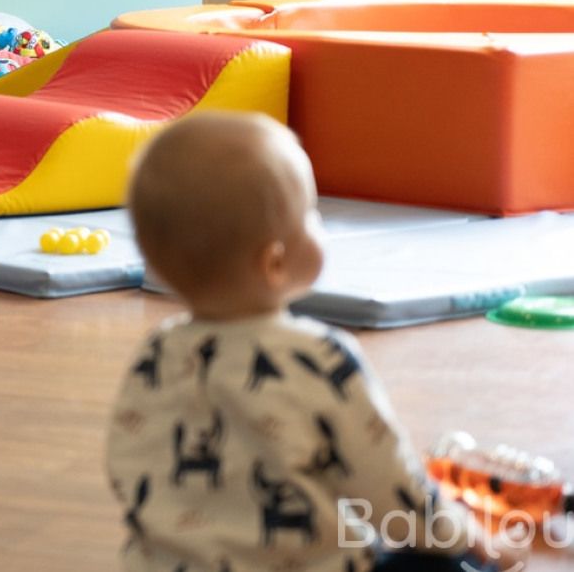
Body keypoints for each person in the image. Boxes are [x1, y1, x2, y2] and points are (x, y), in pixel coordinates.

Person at [106, 111, 525, 572]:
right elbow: (394, 495)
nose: (319, 223)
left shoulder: (154, 355)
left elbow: (126, 468)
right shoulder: (319, 358)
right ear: (276, 263)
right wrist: (470, 536)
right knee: (449, 562)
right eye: (311, 213)